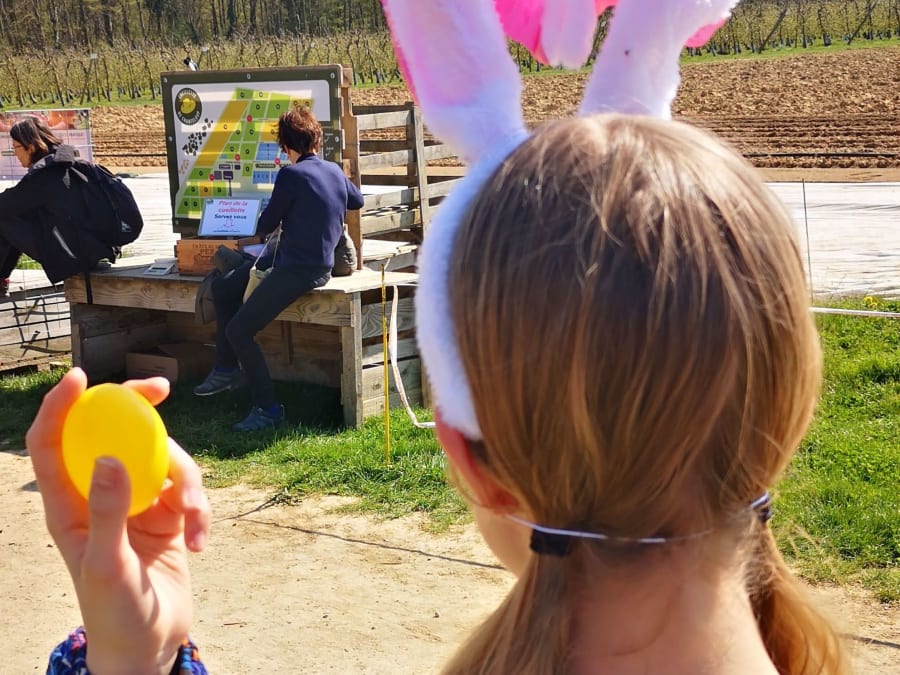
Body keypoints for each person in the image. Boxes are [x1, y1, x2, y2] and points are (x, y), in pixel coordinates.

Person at [27, 1, 848, 673]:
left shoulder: (284, 176)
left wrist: (137, 658)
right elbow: (348, 195)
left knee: (237, 325)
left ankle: (256, 400)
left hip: (287, 273)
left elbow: (275, 226)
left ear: (462, 454)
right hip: (328, 265)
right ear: (788, 413)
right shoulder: (325, 169)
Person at [191, 106, 364, 432]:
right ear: (316, 138)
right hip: (306, 262)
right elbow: (357, 201)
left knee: (239, 331)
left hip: (300, 270)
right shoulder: (334, 170)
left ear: (285, 145)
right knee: (225, 287)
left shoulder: (290, 175)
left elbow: (267, 223)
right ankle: (227, 370)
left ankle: (268, 409)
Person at [0, 116, 116, 296]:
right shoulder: (65, 163)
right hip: (94, 250)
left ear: (30, 147)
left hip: (73, 257)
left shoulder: (46, 175)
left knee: (4, 218)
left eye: (15, 147)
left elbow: (8, 204)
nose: (15, 154)